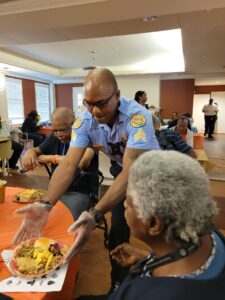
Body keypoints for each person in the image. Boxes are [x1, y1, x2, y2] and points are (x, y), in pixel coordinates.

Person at [13, 68, 159, 291]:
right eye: (89, 103)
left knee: (159, 229)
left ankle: (167, 280)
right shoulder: (85, 120)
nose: (95, 111)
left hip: (155, 173)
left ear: (117, 95)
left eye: (101, 103)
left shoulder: (138, 117)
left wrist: (95, 213)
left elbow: (134, 171)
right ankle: (117, 286)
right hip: (123, 169)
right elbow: (70, 164)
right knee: (119, 230)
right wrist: (46, 204)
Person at [107, 151, 225, 300]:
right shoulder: (209, 233)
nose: (123, 204)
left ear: (154, 224)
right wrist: (146, 258)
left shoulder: (154, 294)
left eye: (128, 203)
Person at [22, 107, 99, 220]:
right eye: (56, 130)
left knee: (66, 219)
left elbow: (81, 162)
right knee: (35, 214)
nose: (59, 134)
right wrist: (29, 152)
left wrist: (51, 158)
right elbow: (36, 150)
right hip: (56, 189)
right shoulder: (54, 137)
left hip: (80, 192)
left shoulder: (88, 137)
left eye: (63, 130)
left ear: (74, 124)